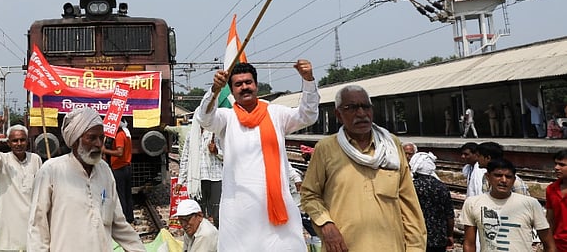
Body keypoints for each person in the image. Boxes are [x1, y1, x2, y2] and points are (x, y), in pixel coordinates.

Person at [196, 60, 318, 251]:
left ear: (256, 85)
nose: (244, 87)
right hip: (240, 208)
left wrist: (308, 81)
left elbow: (307, 116)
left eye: (248, 82)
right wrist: (214, 90)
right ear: (232, 90)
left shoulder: (276, 113)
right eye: (238, 84)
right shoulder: (227, 118)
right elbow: (204, 118)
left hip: (277, 206)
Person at [300, 84, 426, 252]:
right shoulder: (326, 149)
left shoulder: (391, 146)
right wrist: (326, 225)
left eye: (365, 107)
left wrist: (415, 248)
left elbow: (409, 203)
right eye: (351, 108)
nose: (361, 114)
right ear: (338, 115)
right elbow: (309, 195)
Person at [27, 106, 144, 252]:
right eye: (92, 138)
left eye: (101, 138)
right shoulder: (51, 171)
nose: (99, 144)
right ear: (76, 140)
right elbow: (37, 226)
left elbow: (118, 224)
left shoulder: (105, 171)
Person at [461, 158, 555, 252]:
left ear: (514, 180)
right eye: (498, 175)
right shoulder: (473, 203)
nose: (503, 180)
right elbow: (469, 244)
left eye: (508, 177)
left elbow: (549, 245)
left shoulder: (531, 204)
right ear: (488, 177)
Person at [0, 115, 42, 252]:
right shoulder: (2, 160)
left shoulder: (35, 159)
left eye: (22, 140)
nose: (19, 143)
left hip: (30, 222)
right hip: (8, 223)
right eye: (15, 141)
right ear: (8, 143)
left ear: (27, 142)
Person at [176, 117, 223, 227]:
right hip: (197, 180)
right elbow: (185, 158)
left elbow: (228, 155)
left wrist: (216, 151)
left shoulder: (217, 134)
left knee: (217, 213)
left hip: (215, 178)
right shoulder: (191, 136)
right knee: (198, 213)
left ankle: (219, 238)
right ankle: (201, 237)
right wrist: (180, 181)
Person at [409, 152, 454, 252]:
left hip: (416, 236)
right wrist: (450, 235)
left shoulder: (411, 187)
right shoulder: (442, 187)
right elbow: (449, 215)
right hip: (439, 238)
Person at [102, 119, 134, 224]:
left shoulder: (119, 135)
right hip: (127, 167)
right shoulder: (126, 133)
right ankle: (130, 217)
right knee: (127, 193)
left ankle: (123, 217)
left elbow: (120, 152)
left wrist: (104, 151)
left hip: (119, 167)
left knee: (121, 194)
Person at [545, 149, 567, 251]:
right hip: (558, 244)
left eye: (562, 165)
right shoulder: (551, 189)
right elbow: (550, 219)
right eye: (556, 164)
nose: (556, 168)